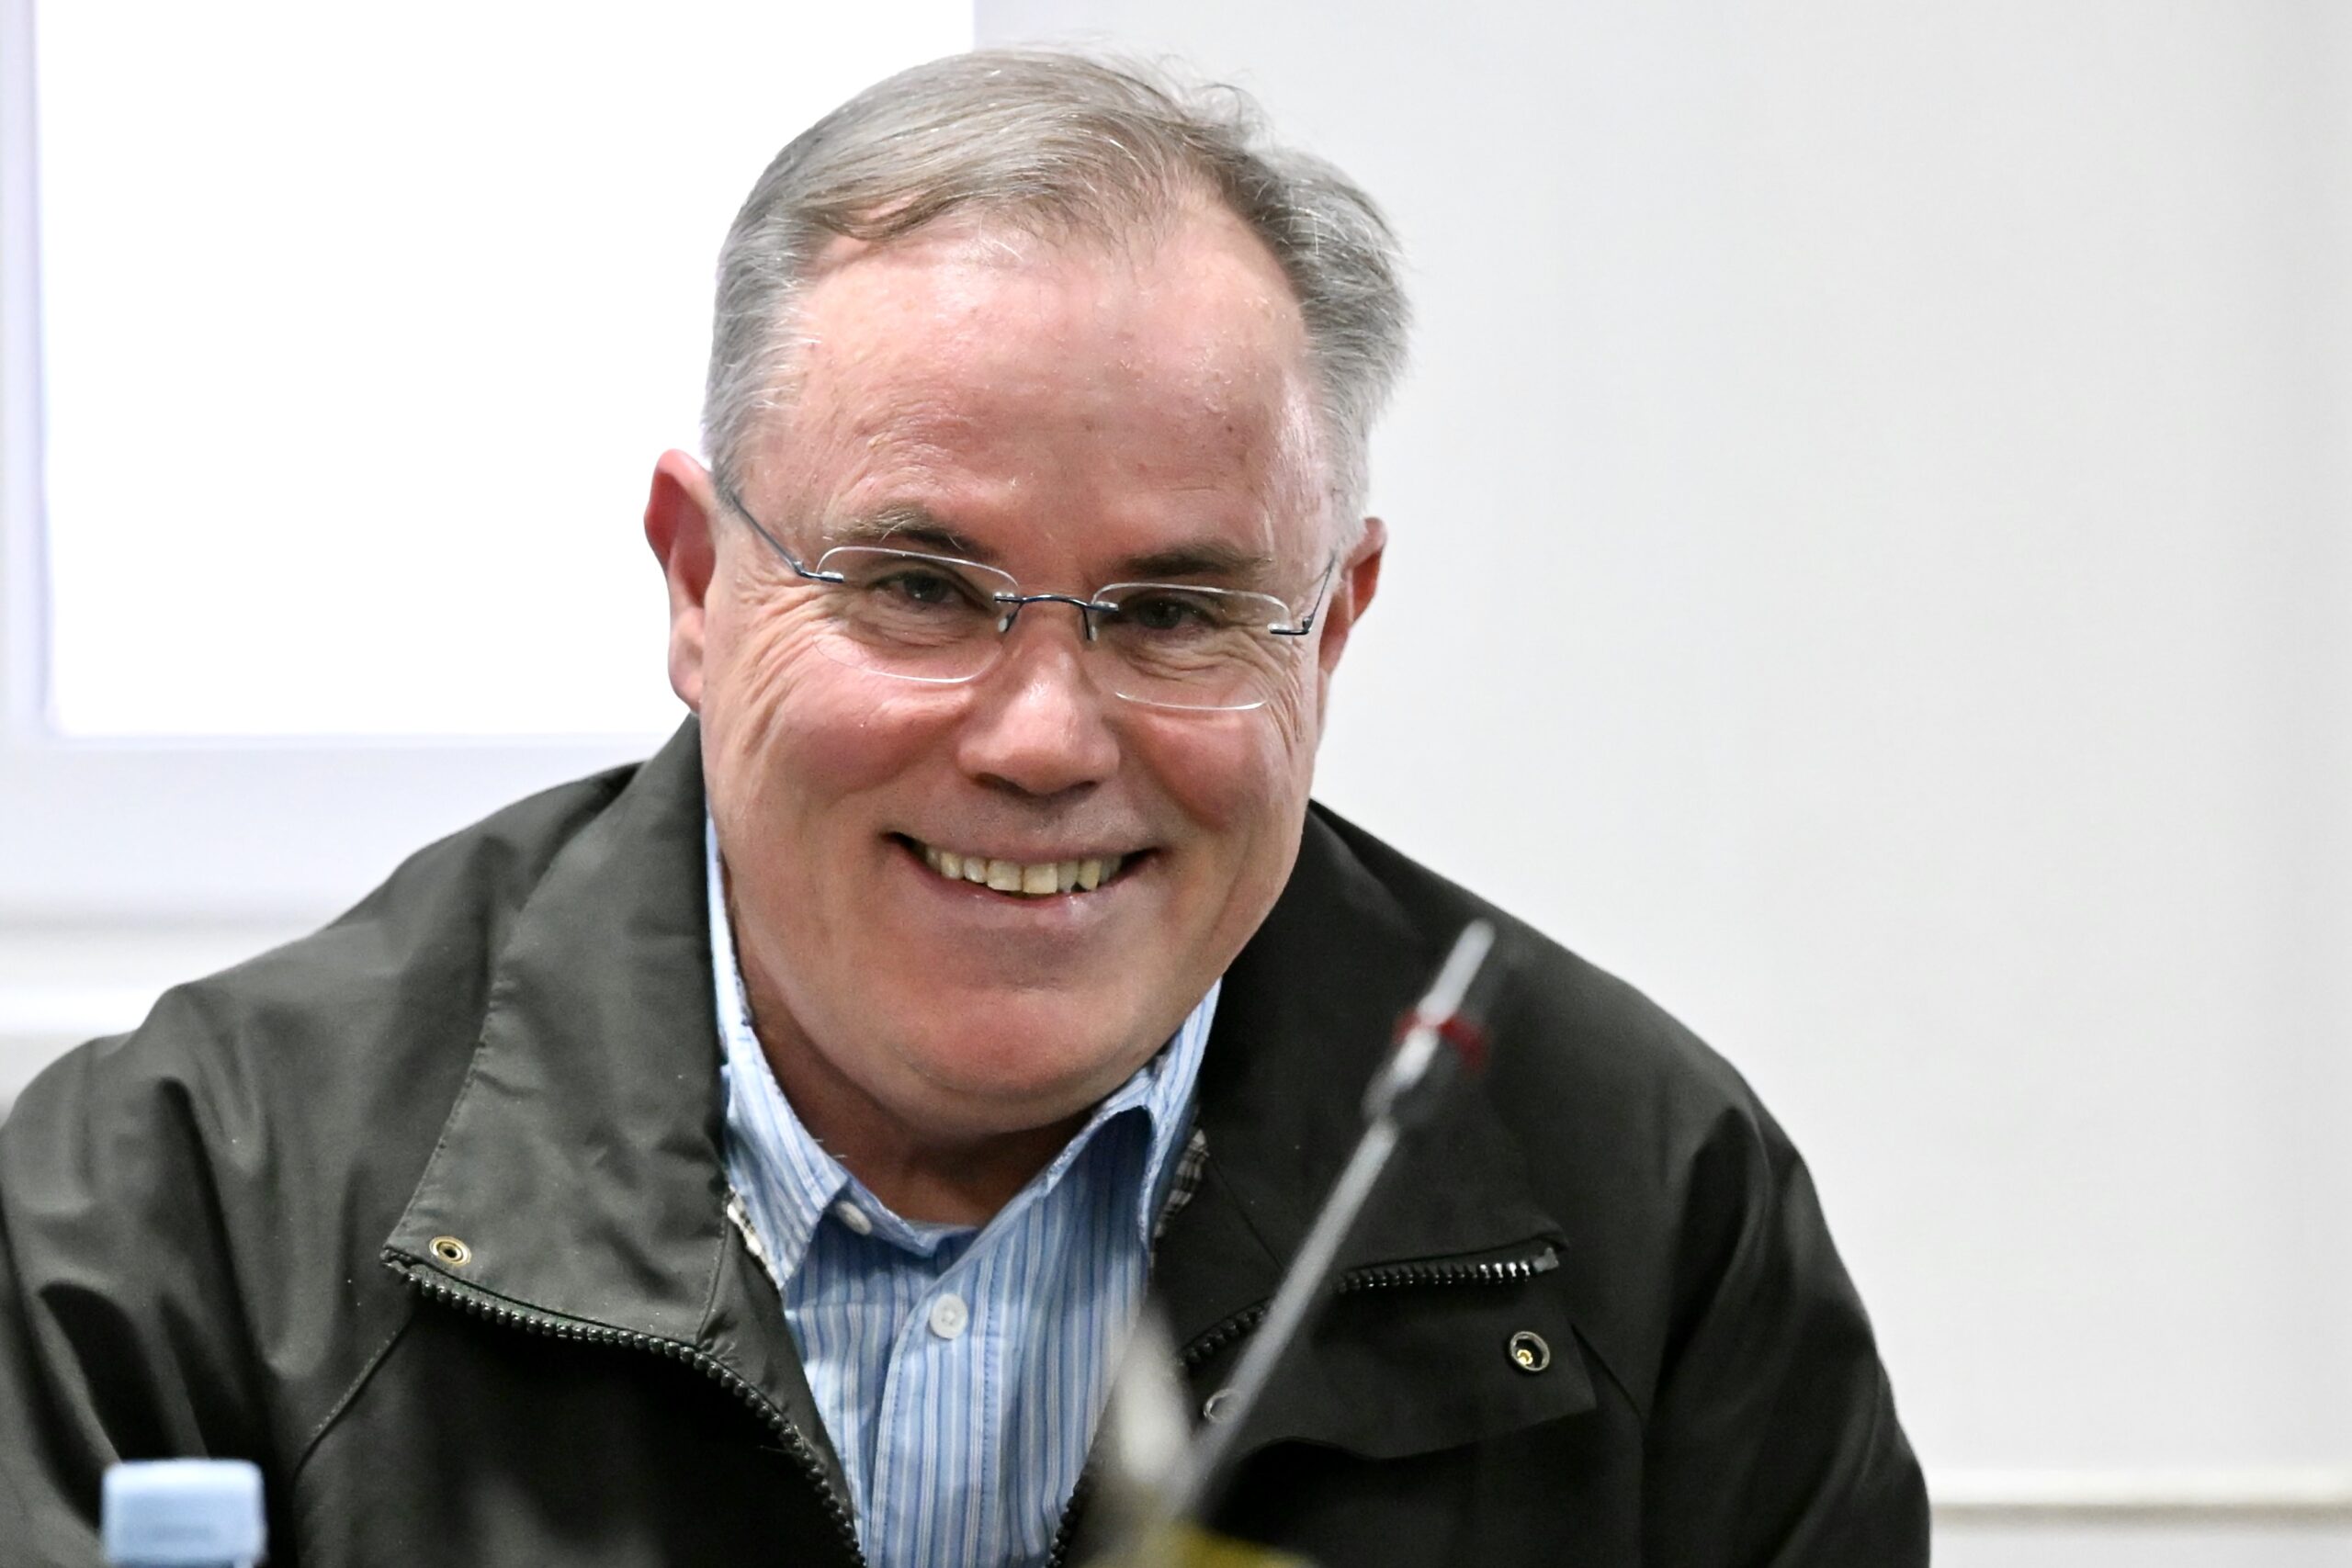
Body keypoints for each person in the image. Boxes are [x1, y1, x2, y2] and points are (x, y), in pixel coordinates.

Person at [0, 50, 1928, 1567]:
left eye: (1171, 612)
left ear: (1331, 626)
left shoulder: (1644, 1212)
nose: (1040, 737)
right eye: (918, 586)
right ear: (696, 583)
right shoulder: (180, 1217)